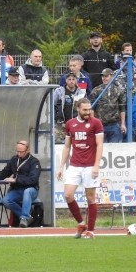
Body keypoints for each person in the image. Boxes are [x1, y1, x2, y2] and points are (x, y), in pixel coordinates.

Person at [57, 98, 104, 239]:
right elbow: (67, 146)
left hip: (89, 166)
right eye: (84, 109)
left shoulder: (96, 123)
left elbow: (100, 145)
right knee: (68, 195)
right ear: (78, 108)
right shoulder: (70, 124)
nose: (87, 112)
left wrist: (96, 166)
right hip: (75, 165)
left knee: (90, 198)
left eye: (89, 109)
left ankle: (91, 230)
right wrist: (61, 167)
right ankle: (81, 223)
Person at [0, 140, 41, 227]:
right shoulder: (14, 159)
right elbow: (4, 173)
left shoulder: (34, 162)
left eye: (21, 152)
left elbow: (33, 180)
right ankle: (26, 216)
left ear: (27, 150)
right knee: (6, 200)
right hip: (17, 189)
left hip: (31, 189)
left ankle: (24, 218)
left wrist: (16, 180)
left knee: (27, 192)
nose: (19, 154)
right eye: (17, 151)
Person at [89, 68, 126, 143]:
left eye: (106, 76)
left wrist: (123, 124)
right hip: (100, 124)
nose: (104, 78)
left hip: (114, 124)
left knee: (115, 148)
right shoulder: (96, 90)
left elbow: (122, 108)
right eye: (103, 76)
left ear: (112, 76)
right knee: (100, 147)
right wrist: (93, 123)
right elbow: (91, 108)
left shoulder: (119, 91)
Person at [53, 72, 85, 141]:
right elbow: (52, 106)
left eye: (73, 79)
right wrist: (58, 120)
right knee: (58, 144)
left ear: (76, 80)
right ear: (66, 80)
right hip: (61, 125)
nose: (71, 81)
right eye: (69, 79)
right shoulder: (58, 91)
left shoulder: (81, 93)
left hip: (76, 125)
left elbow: (84, 108)